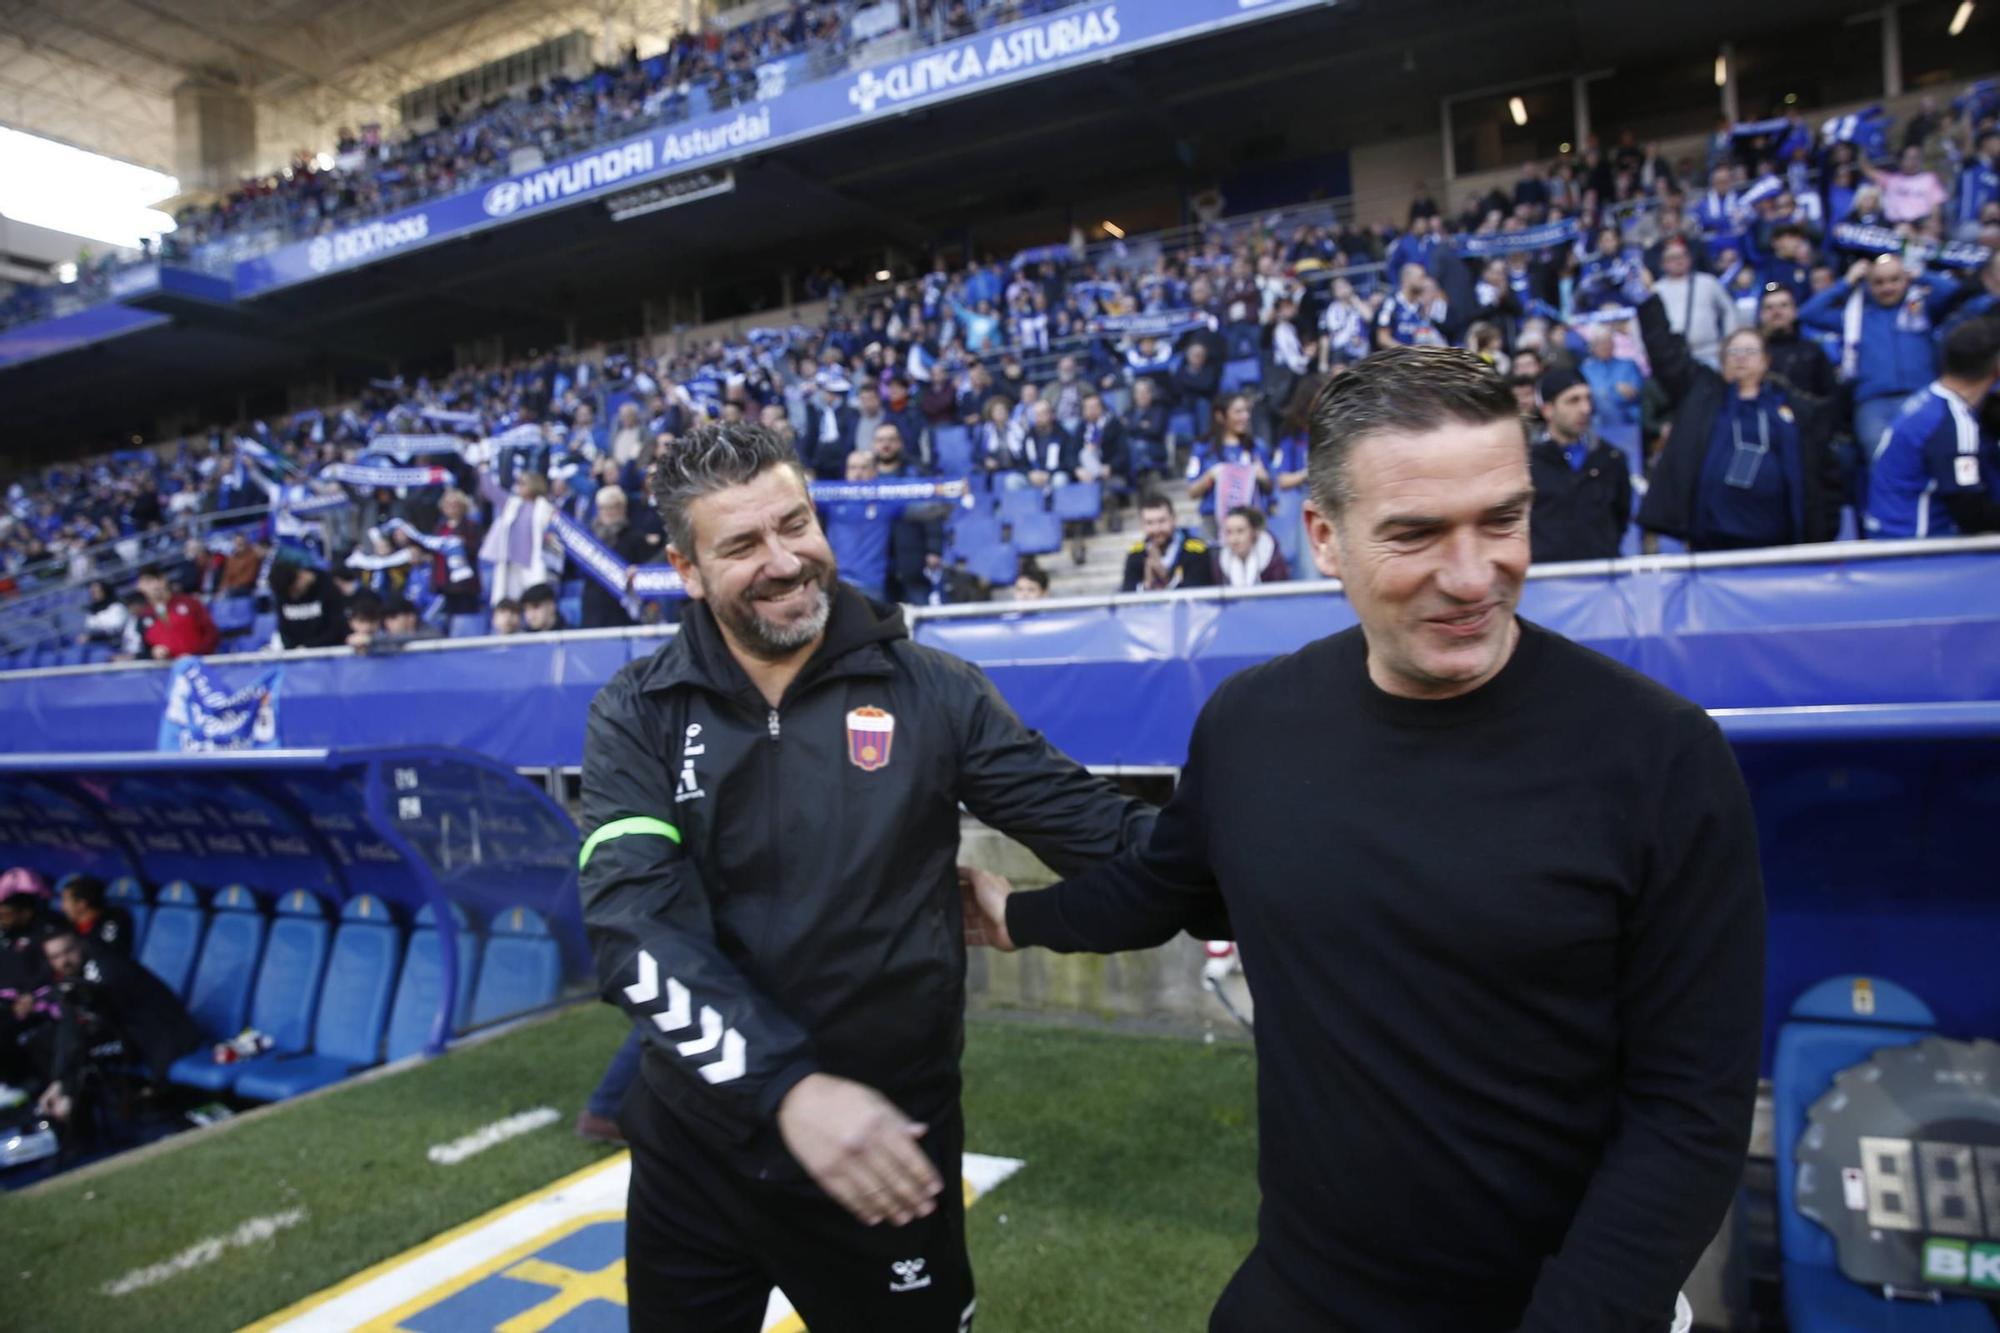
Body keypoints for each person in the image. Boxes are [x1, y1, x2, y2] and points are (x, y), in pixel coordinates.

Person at [964, 346, 1764, 1333]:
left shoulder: (1660, 756)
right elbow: (1166, 884)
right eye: (1416, 533)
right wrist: (1014, 917)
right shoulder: (1252, 723)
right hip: (1300, 1289)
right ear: (1322, 536)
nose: (1473, 574)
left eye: (1502, 519)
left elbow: (1689, 1106)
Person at [577, 420, 1154, 1330]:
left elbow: (1120, 841)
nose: (784, 559)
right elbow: (632, 930)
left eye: (795, 523)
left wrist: (1052, 913)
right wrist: (788, 1087)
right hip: (696, 1160)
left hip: (887, 1160)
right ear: (686, 570)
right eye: (742, 544)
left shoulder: (935, 690)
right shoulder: (637, 711)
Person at [1635, 267, 1845, 552]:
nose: (1741, 359)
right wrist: (1648, 303)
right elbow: (1666, 353)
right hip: (1711, 540)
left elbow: (1824, 472)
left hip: (1778, 544)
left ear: (1765, 361)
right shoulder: (1704, 393)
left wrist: (1823, 533)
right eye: (1734, 351)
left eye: (1750, 351)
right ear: (1722, 361)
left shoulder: (1794, 408)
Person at [1800, 255, 1961, 456]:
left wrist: (1918, 274)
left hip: (1921, 397)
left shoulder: (1922, 308)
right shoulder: (1855, 315)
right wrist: (1847, 282)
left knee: (1933, 459)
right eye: (1879, 282)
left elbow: (1954, 290)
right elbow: (1808, 313)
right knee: (1881, 464)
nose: (1887, 288)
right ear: (1867, 284)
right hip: (1873, 403)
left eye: (1895, 279)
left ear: (1906, 279)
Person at [1864, 317, 2000, 538]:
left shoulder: (1930, 400)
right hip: (1917, 549)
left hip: (1888, 536)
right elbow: (1971, 511)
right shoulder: (1953, 422)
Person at [1529, 367, 1633, 563]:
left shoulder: (1611, 459)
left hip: (1601, 579)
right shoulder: (1527, 463)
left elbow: (1620, 517)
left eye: (1587, 399)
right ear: (1548, 410)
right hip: (1545, 582)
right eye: (1573, 400)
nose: (1585, 409)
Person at [1651, 237, 1739, 370]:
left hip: (1710, 353)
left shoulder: (1707, 282)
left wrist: (1729, 342)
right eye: (1672, 258)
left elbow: (1729, 310)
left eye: (1682, 255)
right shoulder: (1656, 290)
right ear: (1663, 264)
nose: (1678, 261)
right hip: (1673, 359)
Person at [479, 471, 563, 603]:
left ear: (535, 484)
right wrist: (483, 469)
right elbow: (490, 490)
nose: (518, 486)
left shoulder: (547, 508)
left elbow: (556, 539)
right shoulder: (512, 504)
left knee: (536, 602)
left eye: (522, 483)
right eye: (518, 483)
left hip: (535, 564)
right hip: (512, 565)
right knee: (510, 604)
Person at [581, 487, 655, 629]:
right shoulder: (588, 539)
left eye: (612, 507)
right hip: (593, 607)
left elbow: (646, 570)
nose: (607, 512)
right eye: (603, 507)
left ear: (622, 508)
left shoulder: (635, 538)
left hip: (622, 608)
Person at [1120, 494, 1214, 592]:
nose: (1156, 529)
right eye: (1149, 523)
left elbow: (1198, 592)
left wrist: (1165, 577)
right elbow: (1127, 591)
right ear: (1142, 525)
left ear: (1173, 519)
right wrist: (1147, 585)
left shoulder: (1195, 551)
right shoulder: (1136, 553)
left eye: (1162, 521)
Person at [133, 565, 219, 661]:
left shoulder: (190, 603)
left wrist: (196, 655)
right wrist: (153, 653)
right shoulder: (142, 619)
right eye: (148, 582)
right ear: (139, 587)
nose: (155, 585)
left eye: (157, 579)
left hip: (201, 665)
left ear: (164, 580)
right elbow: (143, 651)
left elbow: (211, 633)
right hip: (169, 672)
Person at [1578, 324, 1643, 440]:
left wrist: (1605, 394)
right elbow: (1588, 397)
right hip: (1596, 418)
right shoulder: (1585, 370)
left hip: (1626, 417)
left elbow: (1635, 393)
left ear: (1613, 344)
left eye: (1608, 342)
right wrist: (1614, 392)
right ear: (1592, 347)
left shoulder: (1628, 364)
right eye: (1600, 343)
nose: (1605, 346)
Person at [58, 876, 134, 958]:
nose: (62, 908)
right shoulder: (68, 928)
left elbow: (109, 957)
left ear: (81, 904)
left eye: (65, 900)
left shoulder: (113, 919)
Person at [1214, 506, 1288, 586]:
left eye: (1240, 531)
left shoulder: (1274, 561)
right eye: (1229, 532)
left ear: (1254, 532)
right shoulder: (1220, 562)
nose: (1234, 539)